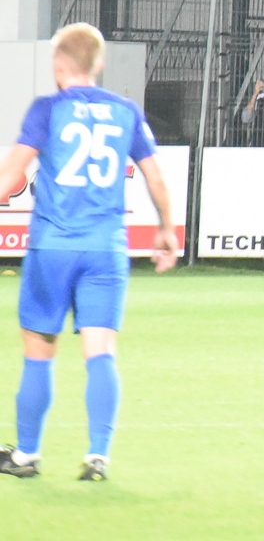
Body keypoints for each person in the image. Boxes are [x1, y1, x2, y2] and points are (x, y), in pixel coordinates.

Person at [0, 24, 181, 481]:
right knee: (100, 351)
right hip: (105, 248)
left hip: (53, 248)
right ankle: (98, 456)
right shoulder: (125, 110)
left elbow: (10, 177)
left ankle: (26, 455)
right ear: (98, 64)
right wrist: (166, 229)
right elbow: (156, 177)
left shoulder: (47, 109)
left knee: (39, 349)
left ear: (58, 64)